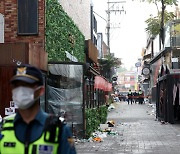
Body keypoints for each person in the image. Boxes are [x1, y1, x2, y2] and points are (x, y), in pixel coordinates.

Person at [0, 64, 76, 154]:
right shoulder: (3, 127)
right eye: (16, 86)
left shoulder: (58, 130)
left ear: (41, 90)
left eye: (27, 85)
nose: (20, 91)